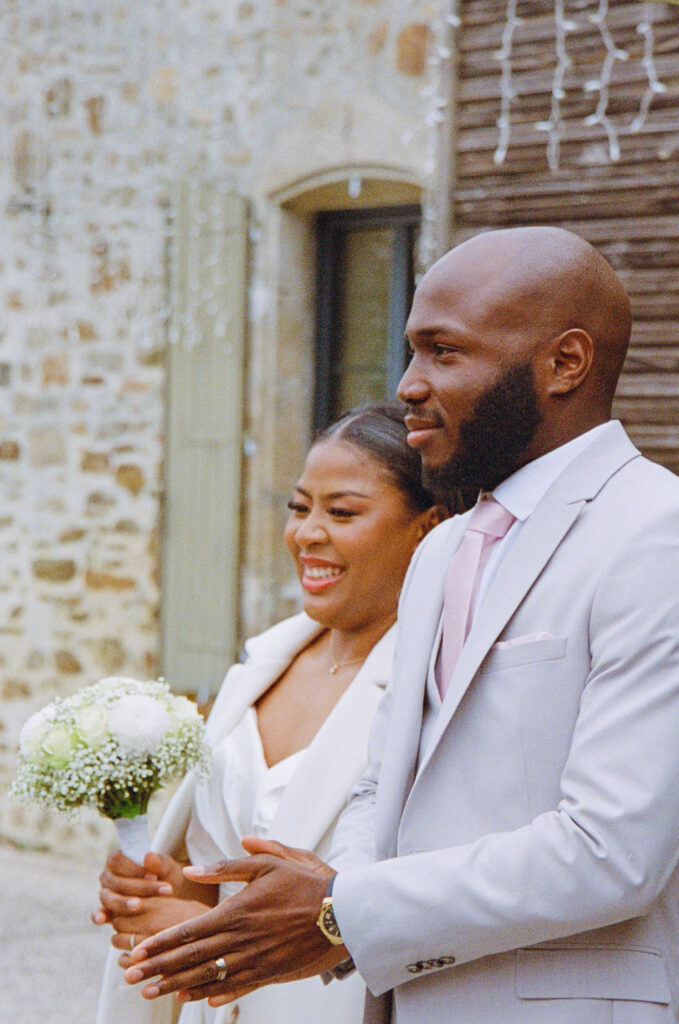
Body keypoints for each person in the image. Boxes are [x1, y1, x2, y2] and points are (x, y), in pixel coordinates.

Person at [121, 226, 679, 1024]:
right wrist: (310, 917)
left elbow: (611, 852)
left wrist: (343, 907)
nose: (409, 384)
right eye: (411, 352)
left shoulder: (653, 534)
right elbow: (386, 787)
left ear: (565, 363)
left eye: (443, 353)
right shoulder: (446, 546)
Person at [93, 402, 448, 1024]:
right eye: (299, 506)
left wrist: (210, 932)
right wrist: (150, 890)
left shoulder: (439, 690)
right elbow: (205, 865)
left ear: (429, 526)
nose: (307, 533)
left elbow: (431, 910)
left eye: (342, 512)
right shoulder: (256, 667)